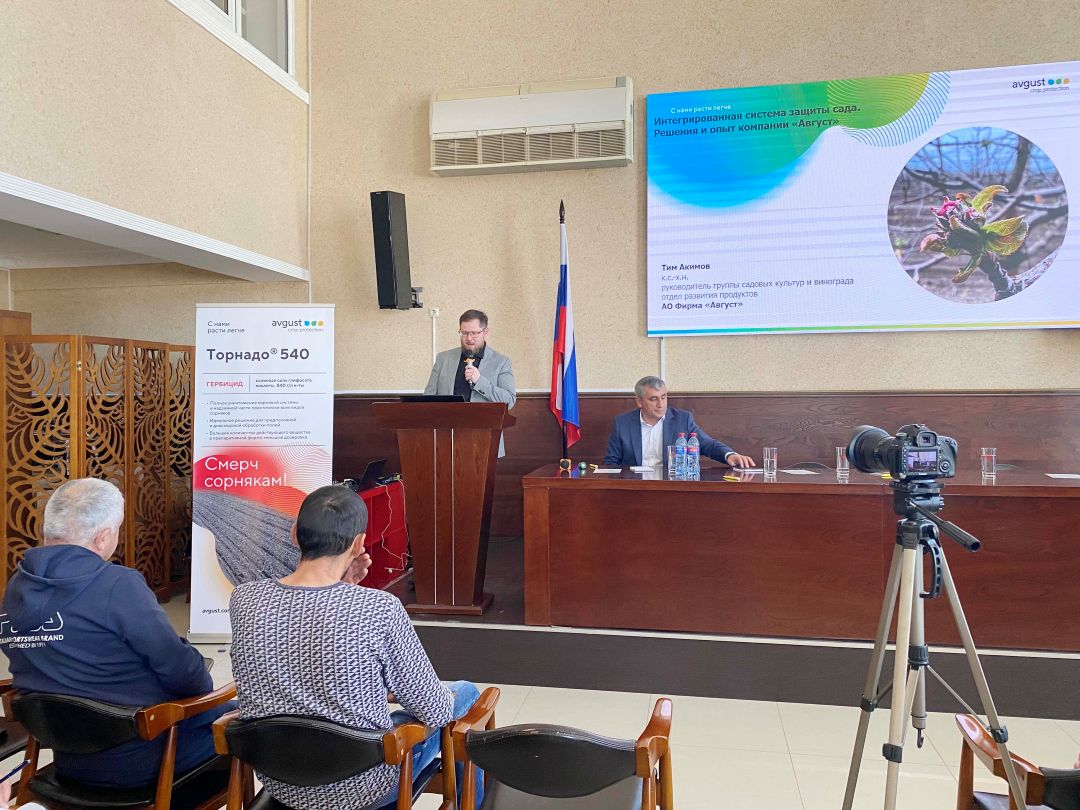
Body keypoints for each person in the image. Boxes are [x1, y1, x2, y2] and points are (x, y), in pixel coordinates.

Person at [229, 485, 483, 810]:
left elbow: (303, 648)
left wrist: (343, 586)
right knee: (465, 694)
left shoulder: (245, 599)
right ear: (358, 543)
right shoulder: (378, 608)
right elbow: (434, 710)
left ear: (294, 534)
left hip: (282, 783)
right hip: (365, 787)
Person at [0, 478, 226, 788]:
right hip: (142, 756)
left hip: (67, 758)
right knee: (240, 723)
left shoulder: (16, 585)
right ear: (103, 537)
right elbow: (187, 675)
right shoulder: (117, 585)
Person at [603, 376, 755, 468]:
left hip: (670, 485)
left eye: (663, 397)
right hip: (635, 487)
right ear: (639, 401)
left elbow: (707, 444)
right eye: (653, 399)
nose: (661, 404)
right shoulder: (622, 423)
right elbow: (611, 462)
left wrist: (728, 455)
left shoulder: (682, 419)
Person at [425, 309, 516, 456]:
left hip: (484, 440)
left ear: (485, 332)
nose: (469, 338)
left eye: (474, 333)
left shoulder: (501, 362)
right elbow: (428, 398)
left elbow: (509, 401)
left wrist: (479, 381)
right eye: (464, 333)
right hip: (447, 439)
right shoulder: (443, 359)